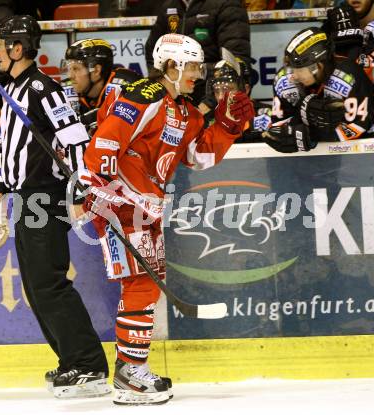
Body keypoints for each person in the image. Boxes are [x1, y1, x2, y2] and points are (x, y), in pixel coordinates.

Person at [79, 33, 254, 405]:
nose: (198, 74)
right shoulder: (144, 95)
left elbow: (197, 156)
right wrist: (101, 190)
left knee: (146, 283)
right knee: (142, 283)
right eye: (192, 67)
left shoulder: (184, 111)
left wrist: (227, 126)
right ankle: (129, 374)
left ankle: (131, 369)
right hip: (122, 204)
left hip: (147, 207)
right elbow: (106, 143)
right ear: (171, 65)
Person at [0, 15, 110, 399]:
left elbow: (74, 141)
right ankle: (72, 360)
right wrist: (2, 187)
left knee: (49, 282)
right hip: (24, 197)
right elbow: (16, 148)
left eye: (0, 45)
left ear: (17, 49)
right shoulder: (12, 90)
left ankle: (89, 365)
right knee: (37, 286)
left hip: (44, 196)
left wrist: (77, 192)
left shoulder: (43, 88)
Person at [264, 27, 374, 153]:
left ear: (318, 66)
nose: (293, 76)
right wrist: (297, 127)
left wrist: (312, 136)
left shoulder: (348, 78)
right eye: (291, 67)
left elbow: (362, 126)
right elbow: (277, 125)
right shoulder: (284, 80)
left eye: (299, 69)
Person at [144, 0, 251, 111]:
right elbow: (153, 51)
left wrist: (208, 105)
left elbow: (233, 64)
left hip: (211, 102)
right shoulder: (170, 5)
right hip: (176, 100)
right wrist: (165, 86)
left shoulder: (227, 4)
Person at [61, 38, 140, 130]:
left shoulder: (126, 86)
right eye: (69, 68)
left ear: (96, 70)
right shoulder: (65, 88)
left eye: (76, 69)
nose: (70, 75)